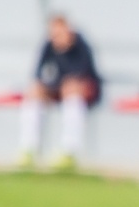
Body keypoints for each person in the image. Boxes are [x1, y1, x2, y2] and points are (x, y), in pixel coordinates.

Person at [18, 14, 102, 172]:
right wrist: (44, 87)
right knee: (33, 93)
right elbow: (38, 74)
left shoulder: (81, 46)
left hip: (81, 93)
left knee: (72, 92)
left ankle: (69, 151)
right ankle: (28, 148)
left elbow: (81, 77)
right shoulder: (48, 46)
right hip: (57, 90)